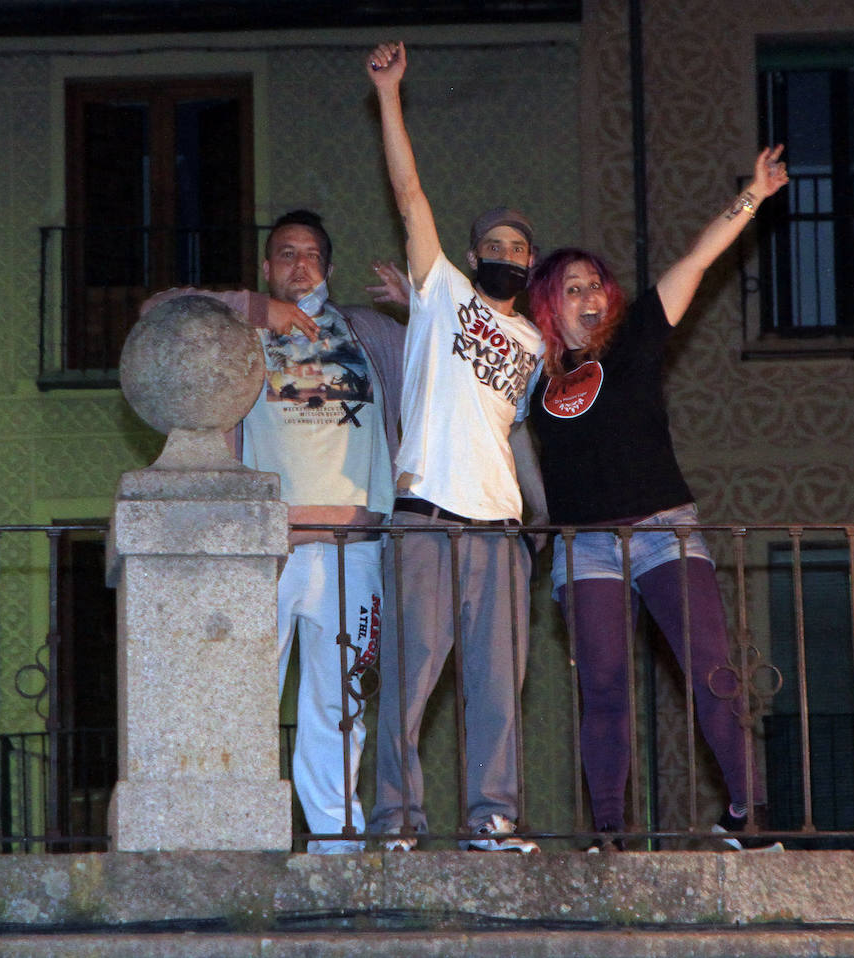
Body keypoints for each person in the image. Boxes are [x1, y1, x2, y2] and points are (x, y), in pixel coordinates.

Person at [522, 145, 789, 851]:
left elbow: (698, 260)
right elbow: (506, 428)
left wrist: (753, 197)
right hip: (584, 545)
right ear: (550, 303)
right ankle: (608, 828)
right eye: (572, 289)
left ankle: (748, 812)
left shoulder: (636, 335)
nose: (589, 297)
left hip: (664, 529)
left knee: (714, 672)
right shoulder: (533, 374)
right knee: (604, 687)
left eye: (594, 286)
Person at [141, 209, 405, 853]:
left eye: (312, 254)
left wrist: (417, 301)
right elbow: (159, 308)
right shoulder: (239, 330)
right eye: (285, 254)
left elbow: (447, 347)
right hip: (266, 552)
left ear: (329, 268)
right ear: (266, 267)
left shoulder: (367, 332)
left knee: (340, 708)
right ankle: (236, 839)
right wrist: (257, 308)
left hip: (354, 553)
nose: (300, 264)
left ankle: (336, 845)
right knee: (243, 696)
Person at [366, 41, 547, 853]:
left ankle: (493, 820)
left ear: (529, 264)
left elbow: (528, 432)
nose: (505, 254)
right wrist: (389, 95)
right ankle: (398, 822)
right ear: (473, 257)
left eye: (518, 248)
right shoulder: (442, 293)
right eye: (494, 246)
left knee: (497, 692)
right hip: (426, 518)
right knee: (407, 681)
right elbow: (408, 195)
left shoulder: (537, 344)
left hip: (500, 532)